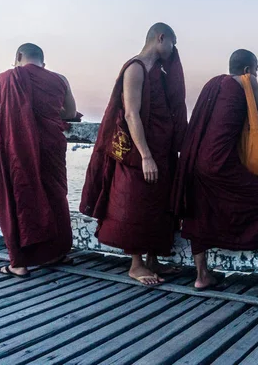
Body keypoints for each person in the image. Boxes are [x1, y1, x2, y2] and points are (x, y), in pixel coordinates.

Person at [80, 23, 187, 285]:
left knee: (156, 204)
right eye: (172, 44)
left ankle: (153, 260)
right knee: (135, 203)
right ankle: (136, 264)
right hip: (138, 153)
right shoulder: (136, 68)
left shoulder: (158, 72)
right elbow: (131, 114)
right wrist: (146, 155)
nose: (174, 51)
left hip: (159, 150)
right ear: (161, 38)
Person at [172, 49, 258, 290]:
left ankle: (201, 275)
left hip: (194, 158)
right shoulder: (247, 82)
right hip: (219, 162)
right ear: (248, 70)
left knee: (199, 212)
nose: (256, 73)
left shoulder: (213, 83)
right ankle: (239, 246)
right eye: (256, 69)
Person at [0, 43, 78, 278]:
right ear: (43, 63)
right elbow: (68, 113)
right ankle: (56, 252)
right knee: (55, 196)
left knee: (17, 198)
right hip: (50, 148)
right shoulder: (59, 79)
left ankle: (18, 263)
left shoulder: (0, 81)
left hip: (14, 150)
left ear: (17, 57)